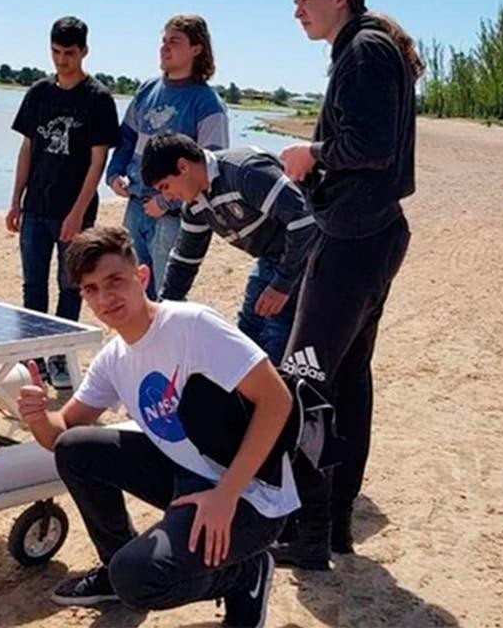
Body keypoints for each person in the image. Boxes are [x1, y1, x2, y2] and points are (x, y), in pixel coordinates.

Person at [17, 225, 295, 628]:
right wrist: (39, 416)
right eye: (91, 289)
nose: (106, 297)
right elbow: (59, 435)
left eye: (115, 281)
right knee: (76, 448)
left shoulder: (191, 325)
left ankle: (244, 576)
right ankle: (114, 563)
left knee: (138, 579)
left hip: (250, 494)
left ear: (142, 277)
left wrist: (225, 494)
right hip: (187, 477)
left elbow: (276, 400)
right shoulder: (114, 357)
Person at [274, 0, 423, 568]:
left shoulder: (362, 50)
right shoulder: (368, 48)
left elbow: (369, 145)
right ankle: (332, 523)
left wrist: (311, 153)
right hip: (372, 231)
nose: (299, 12)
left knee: (306, 377)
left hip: (356, 235)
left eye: (307, 0)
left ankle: (310, 533)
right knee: (345, 379)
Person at [7, 16, 120, 390]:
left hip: (74, 211)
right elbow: (26, 149)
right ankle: (32, 357)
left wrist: (76, 213)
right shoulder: (39, 93)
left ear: (84, 51)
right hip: (35, 207)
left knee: (70, 287)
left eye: (69, 53)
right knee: (33, 287)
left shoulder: (98, 99)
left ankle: (59, 358)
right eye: (55, 52)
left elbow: (97, 161)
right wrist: (15, 201)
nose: (61, 60)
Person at [141, 132, 315, 365]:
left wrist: (282, 284)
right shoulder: (195, 205)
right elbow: (185, 260)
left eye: (165, 187)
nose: (168, 197)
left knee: (278, 336)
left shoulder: (245, 172)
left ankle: (278, 396)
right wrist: (165, 312)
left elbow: (304, 222)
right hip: (272, 257)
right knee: (248, 332)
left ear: (183, 167)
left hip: (315, 254)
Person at [105, 15, 229, 300]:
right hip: (135, 208)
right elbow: (126, 138)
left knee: (167, 296)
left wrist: (165, 201)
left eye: (174, 41)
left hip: (174, 217)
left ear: (196, 49)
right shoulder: (147, 90)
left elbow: (213, 168)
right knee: (133, 291)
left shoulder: (208, 103)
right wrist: (114, 173)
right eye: (163, 41)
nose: (164, 48)